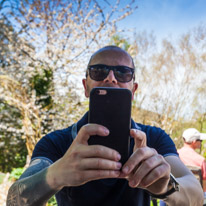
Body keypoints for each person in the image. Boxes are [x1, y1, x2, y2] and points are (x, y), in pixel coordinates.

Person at [7, 46, 203, 206]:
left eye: (124, 72)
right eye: (99, 71)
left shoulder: (154, 138)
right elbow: (14, 199)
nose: (111, 78)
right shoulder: (56, 142)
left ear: (133, 90)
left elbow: (195, 194)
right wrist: (55, 175)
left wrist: (165, 186)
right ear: (86, 87)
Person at [178, 128, 206, 193]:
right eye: (200, 140)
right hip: (196, 195)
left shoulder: (174, 155)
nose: (201, 142)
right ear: (194, 141)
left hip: (177, 194)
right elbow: (204, 186)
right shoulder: (200, 160)